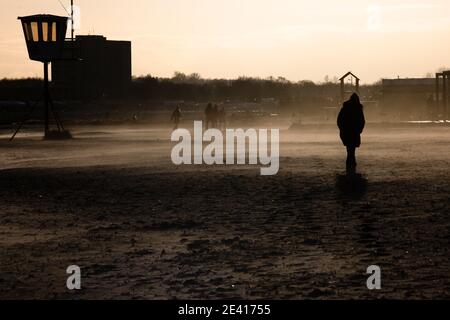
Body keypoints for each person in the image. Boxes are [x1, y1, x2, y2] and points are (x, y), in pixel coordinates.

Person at [337, 93, 365, 171]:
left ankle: (350, 163)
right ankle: (352, 163)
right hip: (354, 131)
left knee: (349, 148)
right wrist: (359, 130)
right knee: (352, 149)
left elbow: (339, 120)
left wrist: (342, 129)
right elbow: (362, 121)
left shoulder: (345, 108)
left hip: (346, 131)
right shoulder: (358, 108)